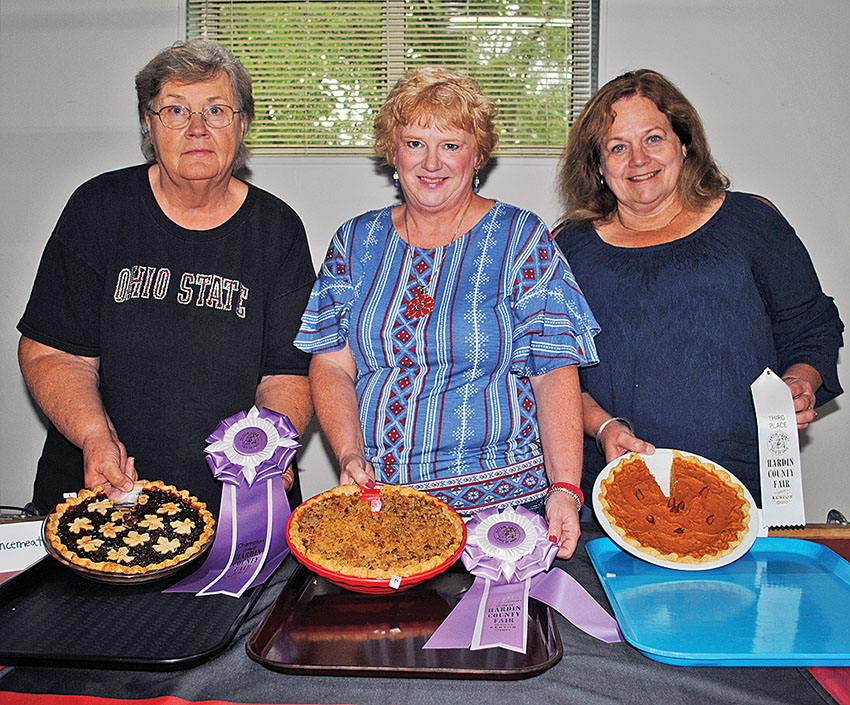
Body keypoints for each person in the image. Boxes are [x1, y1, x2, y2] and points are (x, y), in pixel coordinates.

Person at [295, 67, 599, 558]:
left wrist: (565, 487)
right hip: (385, 509)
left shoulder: (522, 239)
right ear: (392, 152)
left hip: (501, 518)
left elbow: (553, 371)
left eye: (451, 146)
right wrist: (349, 453)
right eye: (415, 143)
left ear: (477, 155)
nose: (431, 162)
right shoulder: (354, 242)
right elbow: (331, 363)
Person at [18, 40, 314, 514]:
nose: (197, 128)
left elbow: (287, 372)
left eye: (216, 110)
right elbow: (54, 353)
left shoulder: (277, 230)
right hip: (102, 492)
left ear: (242, 124)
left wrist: (268, 451)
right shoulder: (98, 209)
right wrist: (97, 437)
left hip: (235, 508)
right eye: (176, 110)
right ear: (148, 125)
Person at [554, 69, 843, 504]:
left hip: (741, 488)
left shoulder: (752, 223)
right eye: (618, 147)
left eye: (653, 138)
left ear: (684, 143)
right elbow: (550, 372)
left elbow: (811, 327)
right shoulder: (566, 249)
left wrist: (799, 382)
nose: (638, 159)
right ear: (597, 165)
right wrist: (604, 428)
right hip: (615, 493)